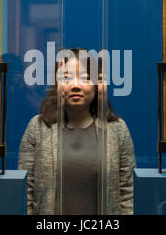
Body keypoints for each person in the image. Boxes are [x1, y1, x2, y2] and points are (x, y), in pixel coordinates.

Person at [18, 48, 136, 215]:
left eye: (85, 78)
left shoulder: (117, 129)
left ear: (96, 85)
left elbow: (127, 194)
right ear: (57, 85)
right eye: (66, 78)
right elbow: (25, 193)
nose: (75, 86)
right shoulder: (38, 127)